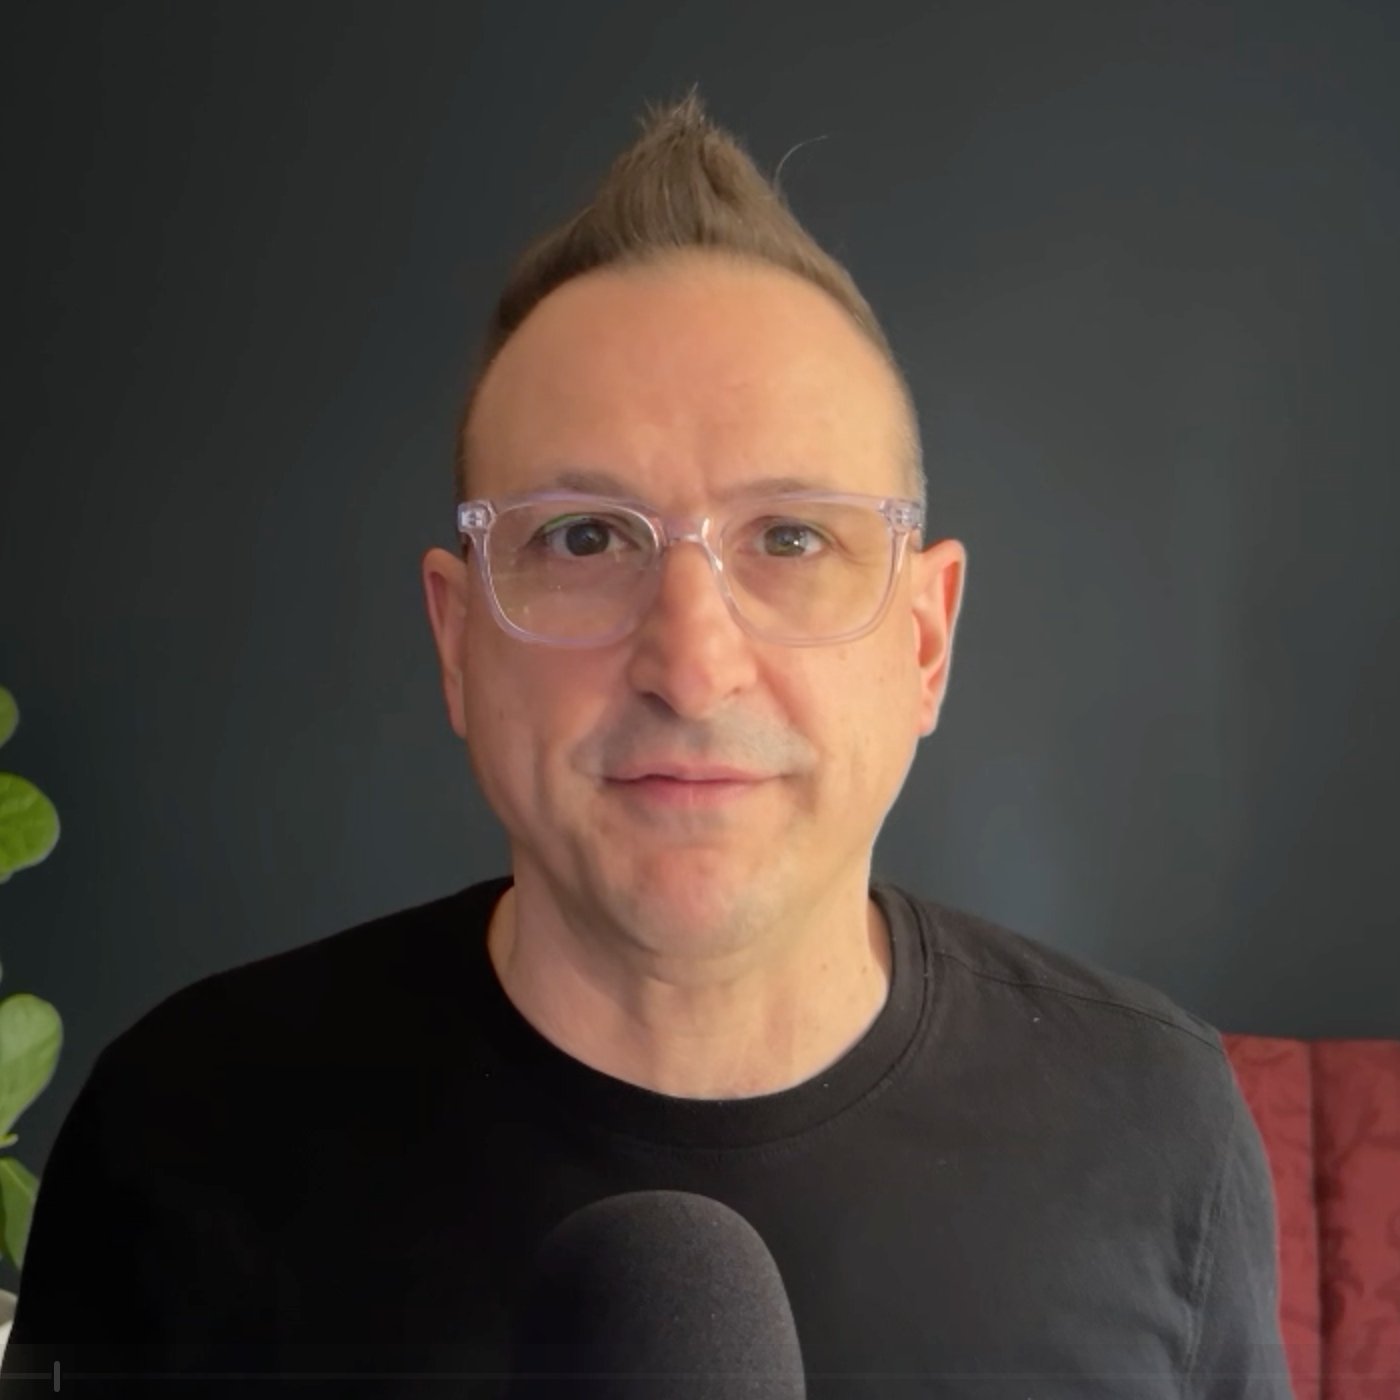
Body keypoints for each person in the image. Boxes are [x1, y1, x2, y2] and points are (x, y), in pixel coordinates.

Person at [1, 87, 1292, 1398]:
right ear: (459, 641)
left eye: (791, 538)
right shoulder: (181, 1135)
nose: (690, 661)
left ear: (925, 638)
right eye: (583, 538)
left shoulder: (1151, 1126)